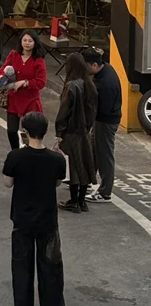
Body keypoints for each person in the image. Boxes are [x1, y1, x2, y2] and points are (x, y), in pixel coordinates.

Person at [3, 111, 66, 306]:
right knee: (52, 274)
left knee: (22, 273)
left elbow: (8, 183)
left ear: (25, 131)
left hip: (22, 222)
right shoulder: (56, 159)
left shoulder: (15, 157)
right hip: (48, 223)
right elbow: (57, 183)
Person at [55, 52, 97, 213]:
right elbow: (93, 111)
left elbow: (64, 111)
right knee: (84, 164)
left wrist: (59, 132)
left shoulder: (71, 86)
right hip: (84, 131)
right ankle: (82, 201)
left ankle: (74, 201)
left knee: (73, 167)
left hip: (71, 132)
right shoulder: (89, 84)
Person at [82, 47, 122, 203]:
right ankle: (86, 180)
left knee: (105, 156)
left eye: (86, 66)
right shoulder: (105, 69)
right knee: (94, 150)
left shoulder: (105, 84)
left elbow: (103, 109)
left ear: (94, 65)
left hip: (106, 122)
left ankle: (105, 193)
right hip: (102, 120)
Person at [0, 31, 47, 150]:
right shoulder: (13, 55)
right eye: (24, 40)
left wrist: (25, 82)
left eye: (30, 41)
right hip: (14, 99)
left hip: (30, 101)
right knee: (11, 130)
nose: (27, 43)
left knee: (29, 132)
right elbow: (3, 70)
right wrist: (1, 79)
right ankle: (15, 152)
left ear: (35, 43)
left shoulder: (38, 60)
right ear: (20, 41)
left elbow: (41, 82)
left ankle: (28, 151)